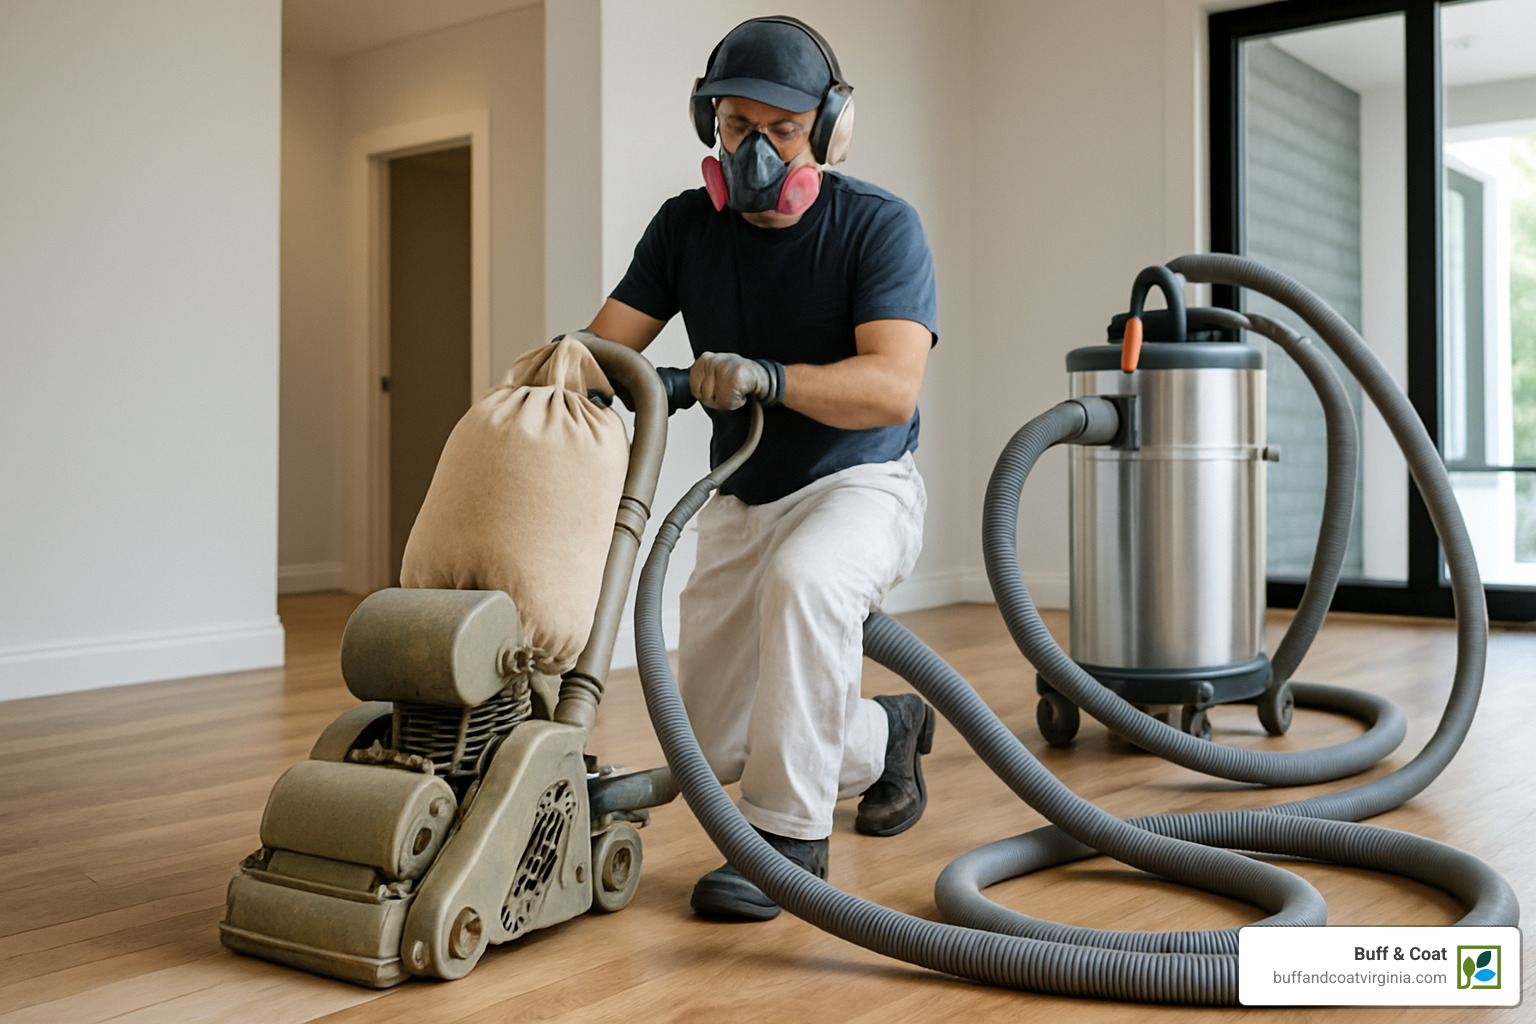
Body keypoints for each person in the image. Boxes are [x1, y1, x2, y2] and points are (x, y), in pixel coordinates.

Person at [586, 15, 938, 921]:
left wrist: (769, 379)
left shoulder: (881, 228)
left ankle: (788, 845)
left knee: (806, 580)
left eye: (782, 131)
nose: (758, 152)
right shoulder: (683, 229)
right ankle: (888, 731)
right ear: (711, 126)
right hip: (743, 494)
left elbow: (893, 388)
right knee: (721, 736)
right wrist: (568, 378)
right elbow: (601, 350)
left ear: (828, 129)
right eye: (739, 128)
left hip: (862, 484)